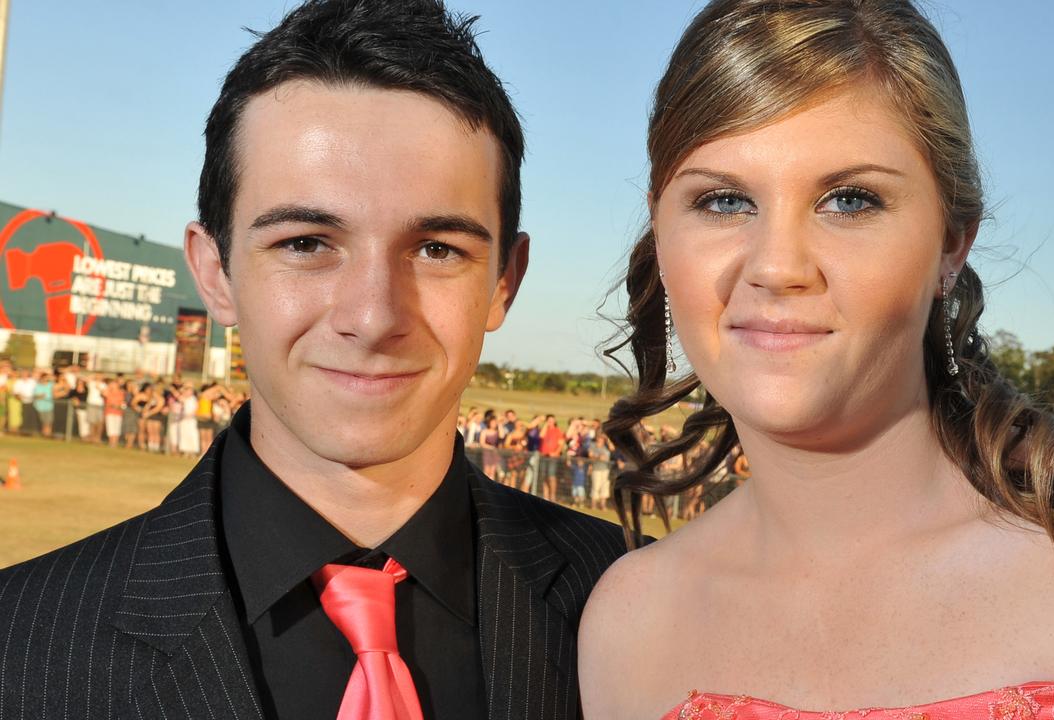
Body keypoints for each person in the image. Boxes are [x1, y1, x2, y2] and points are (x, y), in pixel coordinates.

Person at [579, 1, 1054, 719]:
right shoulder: (629, 623)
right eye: (724, 202)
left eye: (849, 200)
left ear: (953, 243)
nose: (777, 265)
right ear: (660, 232)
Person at [0, 2, 626, 718]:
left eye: (437, 249)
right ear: (215, 272)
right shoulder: (19, 643)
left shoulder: (643, 607)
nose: (372, 316)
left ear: (503, 284)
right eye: (305, 243)